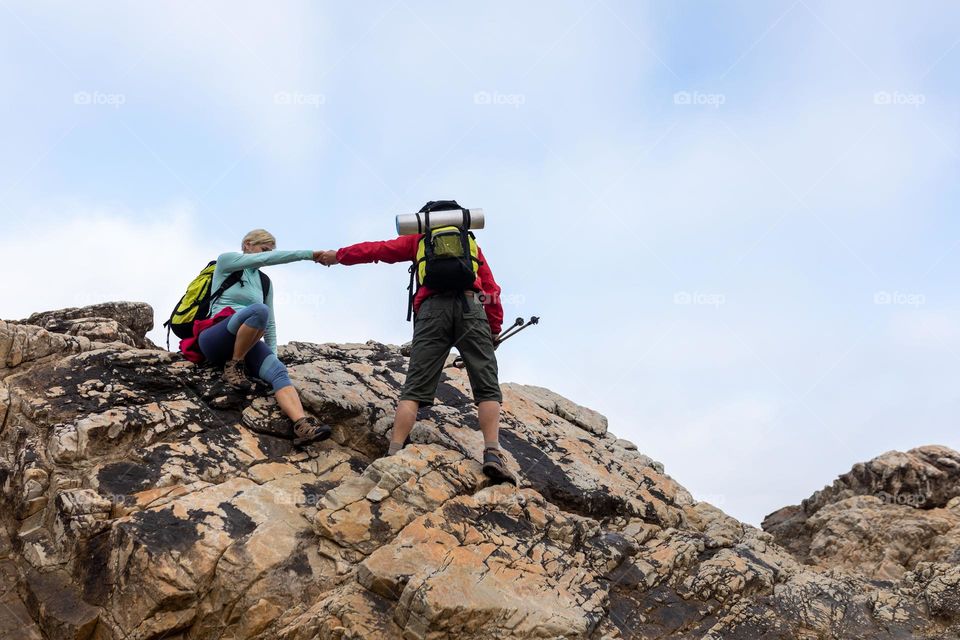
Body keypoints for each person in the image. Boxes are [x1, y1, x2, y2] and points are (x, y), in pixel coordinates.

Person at [317, 210, 516, 485]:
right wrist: (493, 328)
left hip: (433, 311)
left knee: (414, 387)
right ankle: (492, 453)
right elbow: (492, 289)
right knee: (486, 387)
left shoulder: (419, 241)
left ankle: (393, 452)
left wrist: (337, 255)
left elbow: (377, 250)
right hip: (471, 308)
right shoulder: (470, 245)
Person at [198, 229, 331, 446]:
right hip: (217, 336)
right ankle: (234, 366)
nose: (266, 256)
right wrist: (310, 254)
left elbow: (269, 324)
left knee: (278, 371)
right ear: (248, 245)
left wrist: (274, 355)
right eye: (263, 250)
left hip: (247, 340)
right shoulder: (227, 261)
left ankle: (303, 425)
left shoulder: (264, 282)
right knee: (258, 310)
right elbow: (265, 264)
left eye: (269, 251)